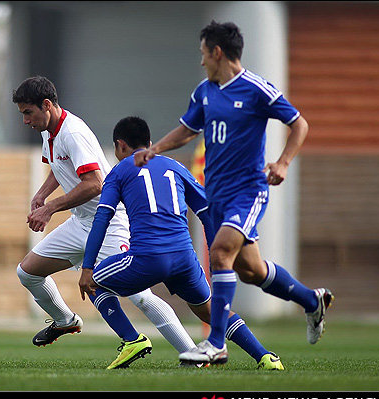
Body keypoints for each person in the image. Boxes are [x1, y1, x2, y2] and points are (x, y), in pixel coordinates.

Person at [134, 21, 334, 365]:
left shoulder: (256, 89)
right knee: (251, 271)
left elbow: (298, 123)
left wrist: (283, 163)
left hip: (248, 191)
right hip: (217, 194)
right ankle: (311, 300)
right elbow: (187, 130)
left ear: (217, 52)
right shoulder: (204, 91)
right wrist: (157, 150)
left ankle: (216, 343)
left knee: (220, 253)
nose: (201, 62)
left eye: (202, 54)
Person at [12, 76, 199, 357]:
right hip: (80, 222)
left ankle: (192, 353)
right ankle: (65, 321)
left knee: (140, 296)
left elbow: (95, 184)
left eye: (28, 112)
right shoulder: (48, 132)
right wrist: (42, 194)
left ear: (47, 105)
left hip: (108, 222)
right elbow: (59, 165)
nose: (26, 120)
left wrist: (50, 208)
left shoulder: (72, 133)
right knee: (27, 272)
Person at [79, 116, 284, 370]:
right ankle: (265, 357)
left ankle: (132, 340)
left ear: (120, 146)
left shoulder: (119, 171)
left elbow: (102, 218)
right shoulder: (174, 166)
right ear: (150, 143)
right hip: (184, 259)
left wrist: (87, 267)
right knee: (210, 310)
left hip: (147, 258)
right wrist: (214, 257)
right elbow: (207, 210)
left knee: (93, 281)